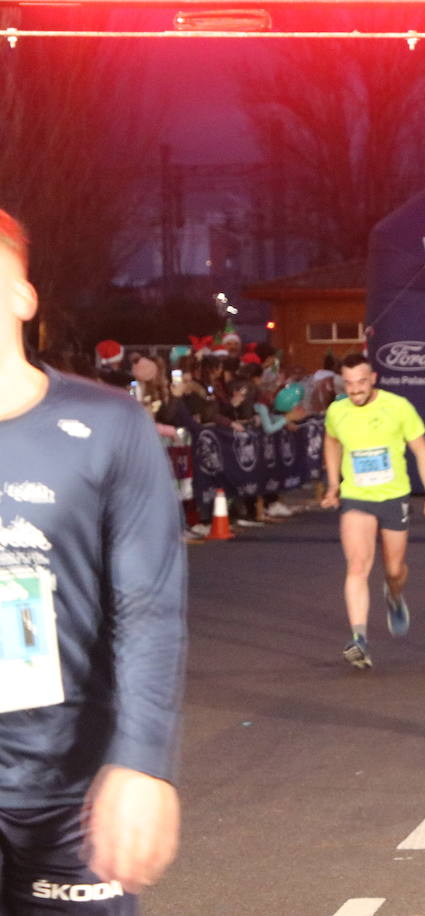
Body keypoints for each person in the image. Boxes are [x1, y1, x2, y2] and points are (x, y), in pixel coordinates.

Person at [0, 209, 186, 909]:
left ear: (23, 295)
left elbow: (148, 606)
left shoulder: (108, 426)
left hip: (69, 789)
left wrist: (142, 760)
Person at [321, 353, 425, 670]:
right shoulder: (337, 411)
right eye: (348, 384)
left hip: (393, 496)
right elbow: (331, 442)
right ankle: (359, 639)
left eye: (361, 382)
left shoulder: (398, 407)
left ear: (373, 378)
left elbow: (421, 450)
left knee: (394, 569)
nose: (355, 390)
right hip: (356, 496)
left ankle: (394, 595)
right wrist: (333, 484)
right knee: (357, 565)